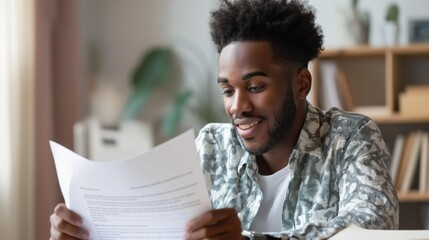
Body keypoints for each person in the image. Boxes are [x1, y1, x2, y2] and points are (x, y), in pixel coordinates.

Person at [50, 0, 399, 239]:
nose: (238, 106)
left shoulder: (351, 137)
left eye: (255, 86)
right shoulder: (213, 146)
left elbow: (371, 228)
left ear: (301, 84)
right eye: (228, 90)